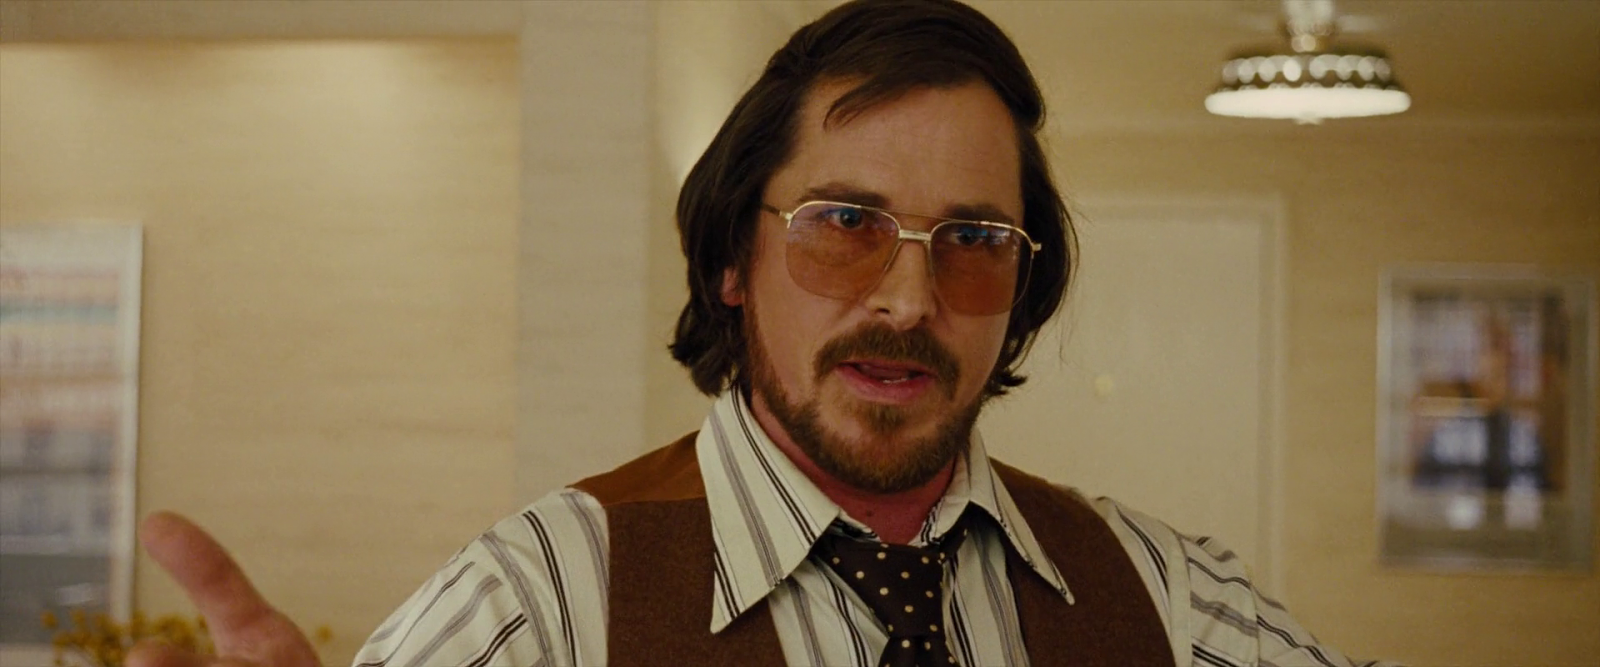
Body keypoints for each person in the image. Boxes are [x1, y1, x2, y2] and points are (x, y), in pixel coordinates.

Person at [128, 1, 1400, 666]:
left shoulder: (1161, 596)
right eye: (845, 223)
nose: (906, 299)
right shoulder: (542, 602)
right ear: (735, 259)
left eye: (972, 239)